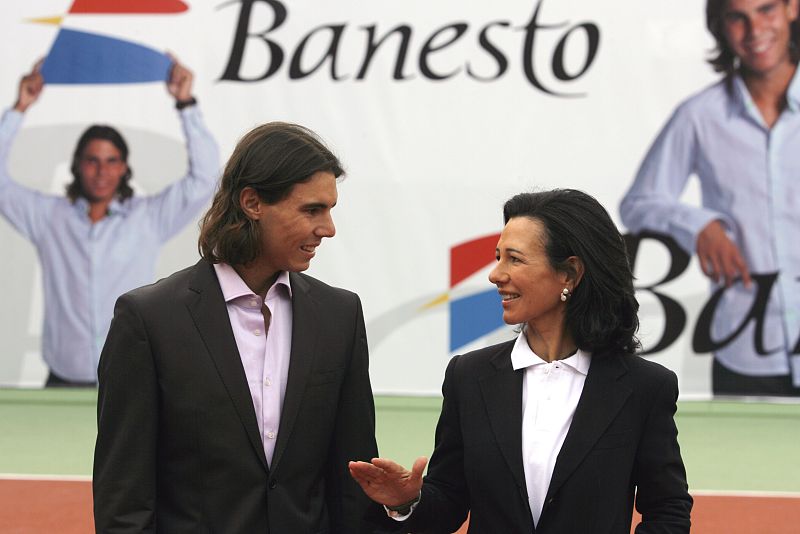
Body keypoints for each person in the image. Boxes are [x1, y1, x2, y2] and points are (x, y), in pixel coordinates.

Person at [350, 189, 692, 533]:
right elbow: (450, 501)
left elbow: (667, 510)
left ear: (569, 274)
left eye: (514, 259)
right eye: (498, 257)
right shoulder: (468, 376)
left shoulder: (645, 387)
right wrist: (405, 502)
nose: (495, 274)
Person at [92, 121, 379, 533]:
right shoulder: (148, 320)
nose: (328, 228)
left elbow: (352, 485)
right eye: (312, 209)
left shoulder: (340, 315)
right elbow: (124, 497)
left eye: (330, 210)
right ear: (252, 202)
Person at [0, 59, 219, 386]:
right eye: (92, 161)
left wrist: (185, 104)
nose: (101, 171)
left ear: (123, 168)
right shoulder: (48, 217)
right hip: (63, 379)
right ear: (77, 166)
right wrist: (19, 108)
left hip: (129, 377)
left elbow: (204, 180)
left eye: (111, 161)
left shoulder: (147, 217)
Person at [620, 0, 800, 396]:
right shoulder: (700, 117)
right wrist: (699, 225)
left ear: (792, 9)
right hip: (747, 349)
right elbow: (639, 202)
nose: (754, 30)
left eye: (766, 10)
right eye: (738, 17)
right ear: (721, 25)